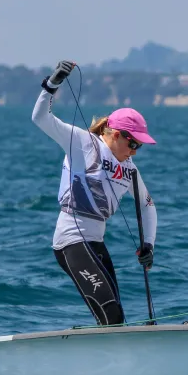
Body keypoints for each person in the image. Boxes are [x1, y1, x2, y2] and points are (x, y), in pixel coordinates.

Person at [32, 60, 158, 325]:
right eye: (133, 144)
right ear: (116, 134)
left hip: (96, 242)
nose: (134, 151)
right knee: (111, 312)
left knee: (115, 318)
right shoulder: (82, 143)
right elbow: (41, 118)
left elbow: (147, 205)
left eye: (139, 146)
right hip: (71, 241)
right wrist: (52, 85)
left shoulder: (130, 169)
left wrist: (149, 244)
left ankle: (110, 351)